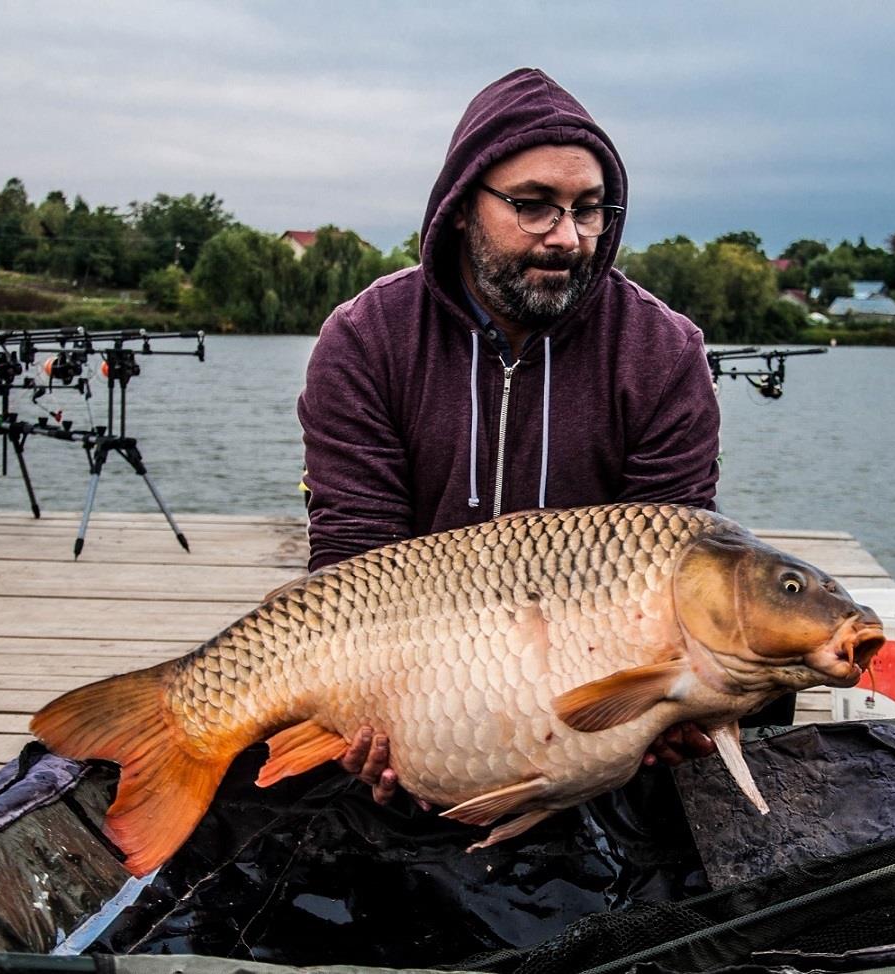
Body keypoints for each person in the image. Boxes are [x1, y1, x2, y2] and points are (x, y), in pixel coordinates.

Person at [297, 68, 726, 805]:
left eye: (588, 210)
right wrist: (355, 716)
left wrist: (680, 707)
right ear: (462, 207)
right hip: (411, 675)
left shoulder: (661, 351)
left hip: (593, 697)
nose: (566, 238)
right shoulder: (367, 338)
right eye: (532, 207)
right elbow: (351, 561)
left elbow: (672, 558)